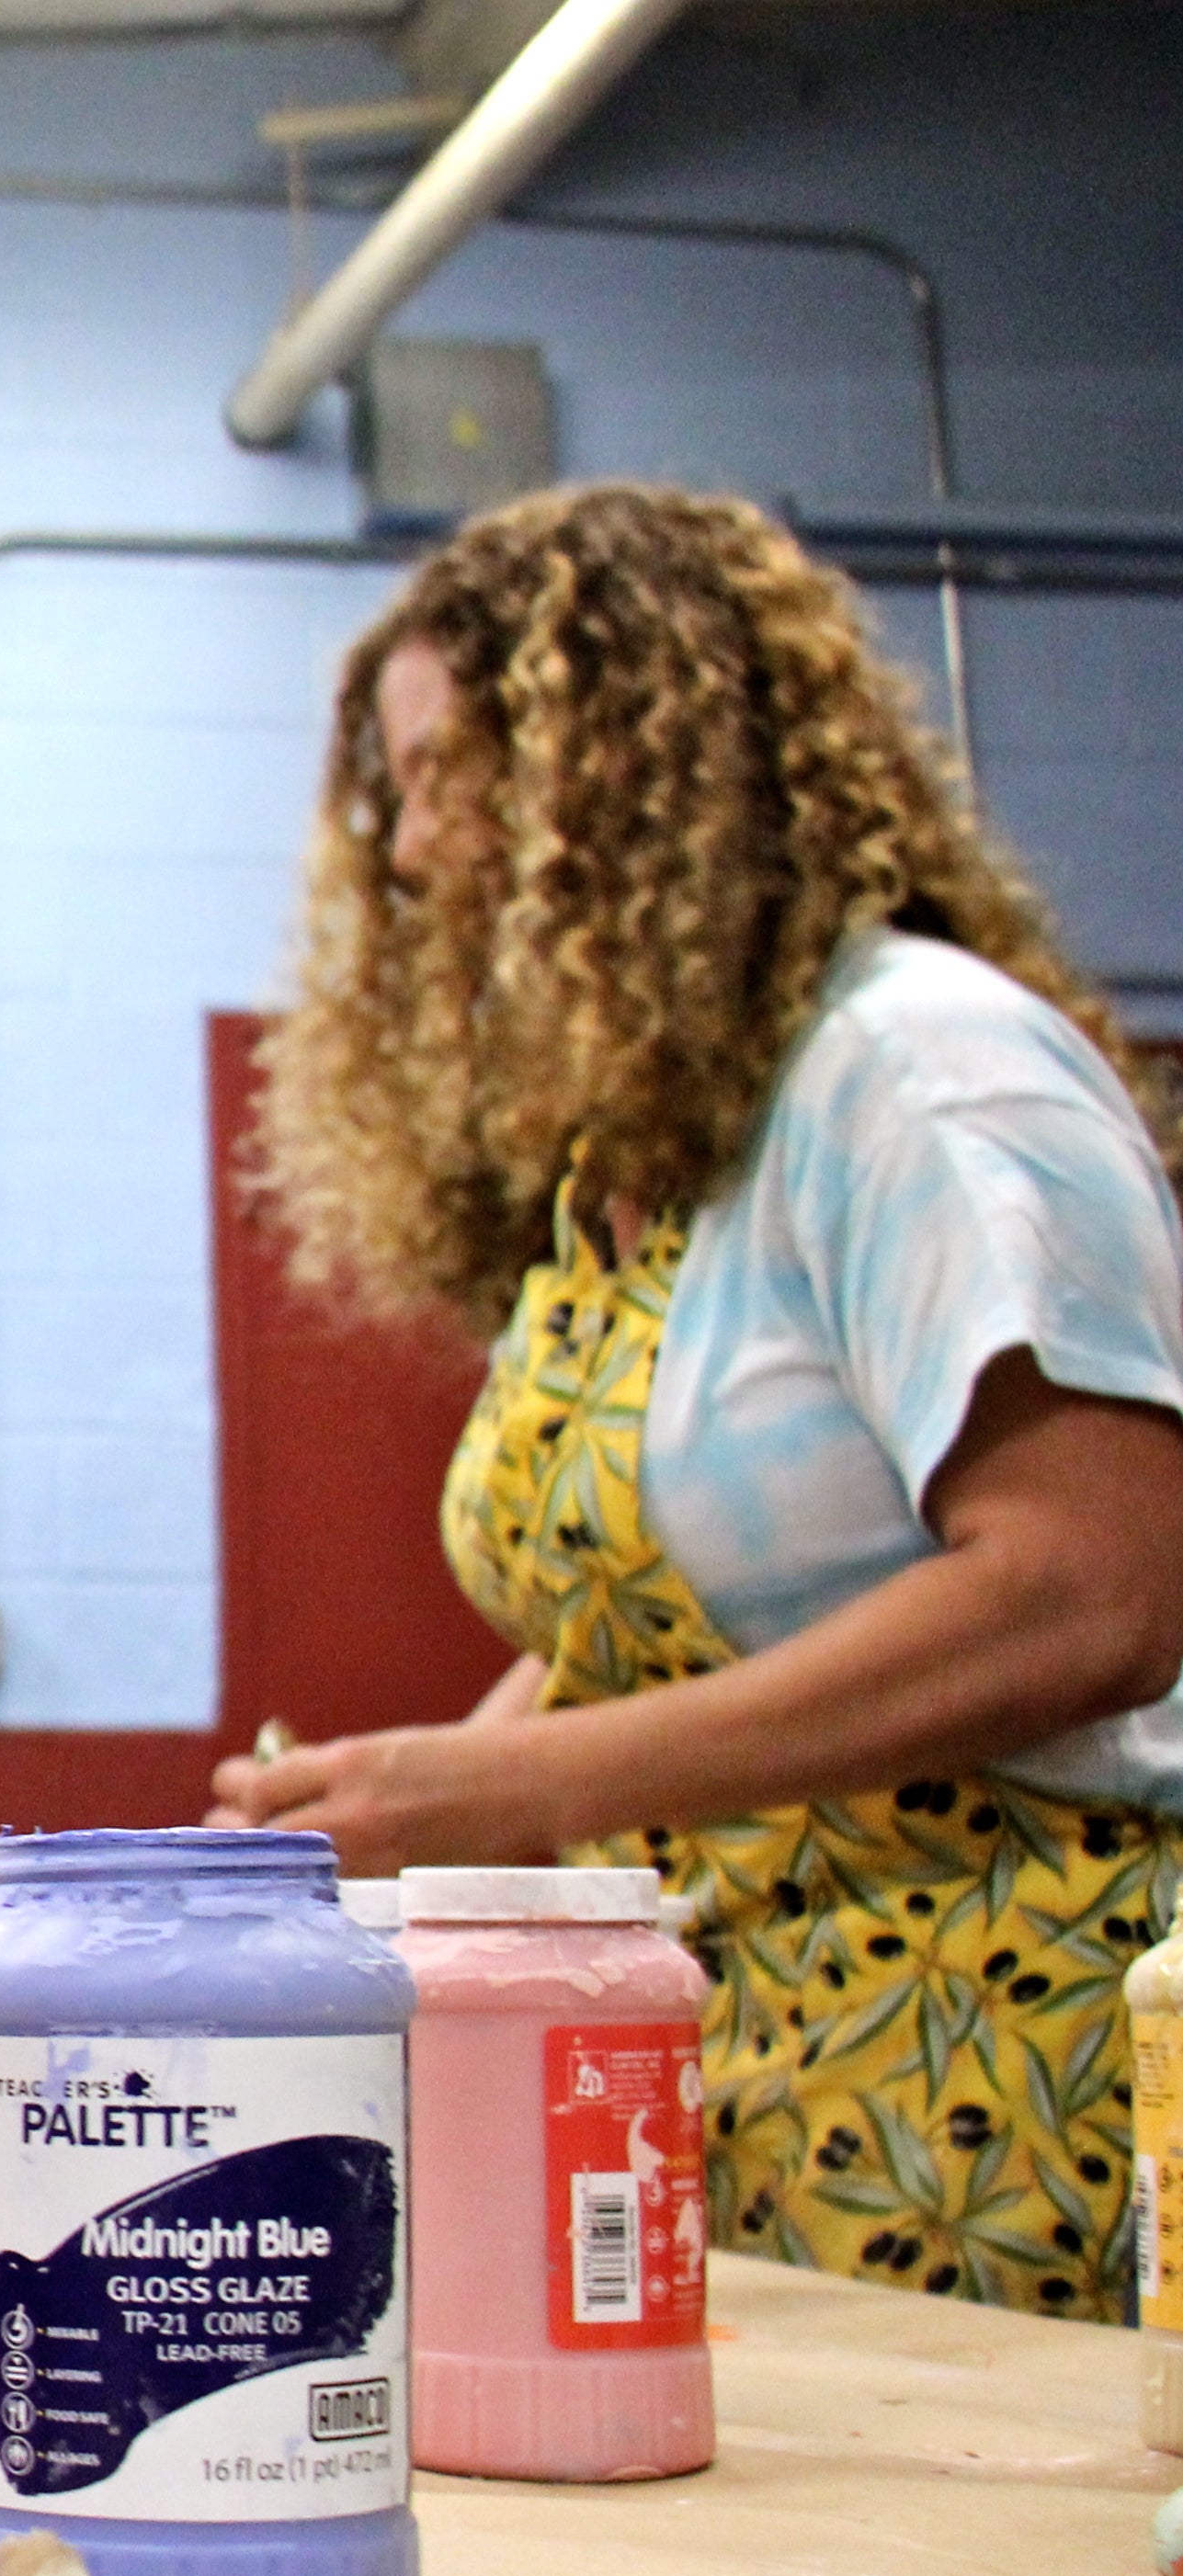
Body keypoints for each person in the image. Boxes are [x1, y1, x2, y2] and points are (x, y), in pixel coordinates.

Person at [214, 483, 1183, 2321]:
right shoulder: (645, 1149)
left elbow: (1096, 1588)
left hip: (992, 2067)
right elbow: (634, 1629)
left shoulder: (919, 1072)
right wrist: (377, 1809)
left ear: (612, 765)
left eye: (442, 777)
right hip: (717, 2061)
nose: (409, 854)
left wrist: (503, 1780)